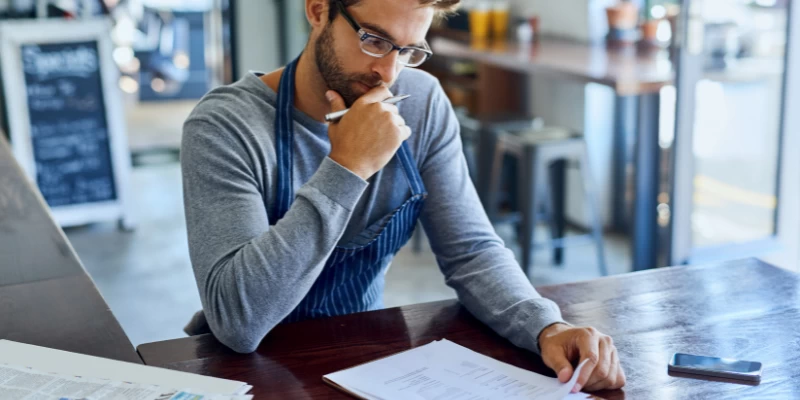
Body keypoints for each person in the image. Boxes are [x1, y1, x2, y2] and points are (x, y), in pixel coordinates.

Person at [180, 0, 626, 393]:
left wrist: (545, 325)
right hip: (248, 374)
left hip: (365, 364)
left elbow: (471, 252)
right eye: (375, 40)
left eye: (410, 51)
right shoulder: (224, 128)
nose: (390, 72)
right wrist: (347, 168)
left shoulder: (421, 102)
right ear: (318, 10)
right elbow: (239, 322)